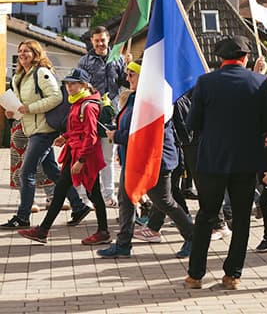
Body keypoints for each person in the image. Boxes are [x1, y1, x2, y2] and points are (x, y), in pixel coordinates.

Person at [184, 36, 267, 290]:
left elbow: (193, 124)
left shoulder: (205, 82)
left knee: (206, 216)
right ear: (246, 58)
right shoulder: (259, 81)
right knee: (242, 218)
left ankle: (195, 274)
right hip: (245, 161)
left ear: (220, 58)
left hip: (212, 159)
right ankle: (232, 274)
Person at [97, 60, 195, 258]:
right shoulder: (135, 97)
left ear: (145, 77)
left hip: (155, 159)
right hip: (134, 158)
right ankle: (123, 244)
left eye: (132, 74)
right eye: (127, 73)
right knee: (126, 199)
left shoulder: (153, 101)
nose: (127, 77)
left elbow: (144, 134)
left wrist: (116, 136)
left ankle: (193, 237)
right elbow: (128, 126)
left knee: (164, 201)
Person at [1, 41, 89, 230]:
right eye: (20, 51)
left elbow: (56, 97)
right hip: (33, 128)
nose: (23, 54)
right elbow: (22, 104)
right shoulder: (21, 76)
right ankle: (79, 206)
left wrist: (29, 108)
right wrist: (14, 112)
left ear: (35, 53)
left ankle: (23, 217)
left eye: (27, 51)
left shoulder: (41, 72)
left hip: (44, 130)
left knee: (27, 172)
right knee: (52, 171)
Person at [18, 68, 109, 245]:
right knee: (64, 190)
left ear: (83, 85)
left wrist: (81, 161)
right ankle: (43, 230)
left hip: (84, 156)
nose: (69, 87)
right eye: (67, 84)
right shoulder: (78, 102)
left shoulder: (87, 105)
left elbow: (91, 136)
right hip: (75, 153)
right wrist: (65, 137)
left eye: (73, 83)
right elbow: (78, 129)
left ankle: (103, 232)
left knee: (93, 193)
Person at [77, 26, 128, 207]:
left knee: (108, 158)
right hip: (91, 114)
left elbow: (126, 82)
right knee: (89, 157)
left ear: (108, 40)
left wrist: (127, 68)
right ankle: (87, 195)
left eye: (103, 40)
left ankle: (109, 194)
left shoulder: (118, 59)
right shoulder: (84, 61)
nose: (100, 43)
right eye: (96, 40)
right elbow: (78, 85)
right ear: (92, 41)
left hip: (111, 115)